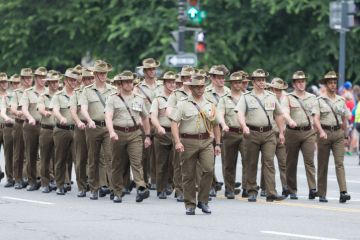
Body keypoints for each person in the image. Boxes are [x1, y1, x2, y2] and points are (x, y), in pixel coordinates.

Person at [236, 69, 296, 202]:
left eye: (263, 79)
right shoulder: (246, 97)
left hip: (269, 133)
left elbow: (279, 115)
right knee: (251, 162)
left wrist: (281, 132)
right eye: (259, 80)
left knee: (269, 162)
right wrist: (244, 126)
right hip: (252, 133)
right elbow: (239, 113)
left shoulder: (271, 96)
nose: (262, 82)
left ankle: (271, 192)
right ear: (253, 81)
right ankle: (251, 191)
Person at [170, 74, 221, 215]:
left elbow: (216, 125)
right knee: (188, 174)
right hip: (188, 141)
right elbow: (174, 123)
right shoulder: (182, 103)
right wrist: (178, 142)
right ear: (191, 88)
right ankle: (190, 204)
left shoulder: (210, 104)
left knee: (208, 169)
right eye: (197, 87)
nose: (200, 89)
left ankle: (203, 201)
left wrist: (218, 143)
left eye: (202, 86)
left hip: (206, 141)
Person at [104, 70, 151, 203]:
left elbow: (145, 118)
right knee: (117, 164)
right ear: (120, 83)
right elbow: (108, 116)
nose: (130, 84)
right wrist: (111, 131)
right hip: (117, 133)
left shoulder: (138, 99)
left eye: (131, 82)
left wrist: (147, 136)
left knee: (137, 162)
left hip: (135, 133)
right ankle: (117, 191)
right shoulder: (112, 98)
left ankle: (141, 188)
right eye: (127, 82)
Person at [313, 71, 351, 203]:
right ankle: (322, 193)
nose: (333, 85)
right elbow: (315, 119)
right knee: (323, 164)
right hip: (324, 134)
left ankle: (343, 192)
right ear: (326, 84)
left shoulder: (341, 100)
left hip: (338, 134)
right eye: (330, 83)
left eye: (335, 82)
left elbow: (344, 119)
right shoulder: (319, 100)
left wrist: (346, 135)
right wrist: (321, 131)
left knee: (339, 163)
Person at [80, 60, 115, 200]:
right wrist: (89, 120)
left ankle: (113, 188)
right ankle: (94, 188)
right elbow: (83, 108)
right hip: (93, 127)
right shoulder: (87, 90)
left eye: (105, 73)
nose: (103, 75)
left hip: (108, 127)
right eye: (100, 73)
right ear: (95, 74)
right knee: (93, 158)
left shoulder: (112, 90)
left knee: (110, 158)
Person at [282, 71, 318, 200]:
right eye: (298, 82)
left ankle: (312, 189)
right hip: (293, 132)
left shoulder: (312, 97)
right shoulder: (288, 97)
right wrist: (289, 120)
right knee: (291, 162)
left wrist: (317, 128)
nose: (301, 84)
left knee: (309, 161)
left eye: (303, 81)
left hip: (308, 132)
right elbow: (285, 112)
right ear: (294, 84)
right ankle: (292, 189)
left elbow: (315, 115)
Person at [217, 71, 249, 199]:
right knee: (229, 162)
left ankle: (247, 187)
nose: (237, 84)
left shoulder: (247, 97)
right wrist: (223, 124)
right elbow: (220, 113)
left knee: (248, 161)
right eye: (235, 82)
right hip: (230, 132)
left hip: (245, 133)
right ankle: (229, 189)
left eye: (239, 82)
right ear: (230, 84)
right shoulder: (224, 98)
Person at [166, 66, 195, 202]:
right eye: (186, 78)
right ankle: (179, 189)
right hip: (180, 131)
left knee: (197, 163)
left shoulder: (200, 93)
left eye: (191, 77)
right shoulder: (176, 94)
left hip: (196, 132)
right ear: (182, 79)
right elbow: (169, 110)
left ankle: (195, 189)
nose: (189, 80)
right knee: (179, 162)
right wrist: (175, 121)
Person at [50, 68, 79, 195]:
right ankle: (60, 185)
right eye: (71, 80)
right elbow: (55, 110)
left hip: (76, 130)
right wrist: (61, 117)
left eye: (75, 80)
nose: (74, 82)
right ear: (65, 80)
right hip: (61, 130)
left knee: (78, 159)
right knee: (60, 159)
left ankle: (82, 187)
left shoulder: (80, 94)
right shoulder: (58, 95)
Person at [135, 58, 162, 189]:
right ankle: (144, 180)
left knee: (158, 153)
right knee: (144, 155)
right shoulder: (138, 88)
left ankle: (156, 179)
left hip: (158, 123)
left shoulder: (161, 86)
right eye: (149, 69)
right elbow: (136, 107)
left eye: (153, 69)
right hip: (144, 122)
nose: (152, 71)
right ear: (144, 71)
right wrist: (140, 122)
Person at [260, 78, 289, 197]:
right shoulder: (266, 99)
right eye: (276, 89)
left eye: (280, 90)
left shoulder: (285, 100)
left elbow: (285, 114)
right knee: (268, 162)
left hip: (281, 134)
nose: (278, 92)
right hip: (269, 135)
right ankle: (264, 187)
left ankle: (285, 187)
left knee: (283, 162)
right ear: (271, 89)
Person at [205, 65, 231, 197]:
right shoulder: (205, 92)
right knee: (209, 160)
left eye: (223, 78)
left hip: (227, 129)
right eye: (219, 78)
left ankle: (229, 187)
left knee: (228, 160)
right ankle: (210, 186)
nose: (222, 80)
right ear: (212, 79)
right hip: (210, 128)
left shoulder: (229, 92)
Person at [150, 71, 176, 199]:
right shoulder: (158, 99)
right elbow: (153, 116)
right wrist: (158, 127)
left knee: (174, 162)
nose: (172, 84)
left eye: (173, 82)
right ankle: (160, 188)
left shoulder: (179, 98)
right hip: (162, 133)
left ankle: (171, 184)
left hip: (176, 132)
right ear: (164, 83)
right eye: (169, 82)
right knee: (161, 162)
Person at [21, 67, 47, 191]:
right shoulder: (28, 92)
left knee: (47, 155)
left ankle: (45, 180)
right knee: (31, 154)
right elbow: (24, 109)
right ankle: (32, 181)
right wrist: (30, 117)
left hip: (45, 126)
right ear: (35, 78)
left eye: (44, 77)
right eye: (40, 77)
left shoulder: (49, 92)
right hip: (31, 126)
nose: (42, 80)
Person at [70, 67, 94, 197]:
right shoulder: (77, 93)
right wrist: (79, 121)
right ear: (82, 80)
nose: (89, 81)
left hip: (96, 127)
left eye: (91, 78)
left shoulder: (98, 92)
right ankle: (82, 185)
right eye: (87, 78)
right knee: (81, 157)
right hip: (81, 127)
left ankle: (94, 183)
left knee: (95, 157)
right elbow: (73, 111)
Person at [37, 71, 60, 193]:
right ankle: (44, 183)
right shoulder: (43, 96)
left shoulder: (61, 96)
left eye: (57, 81)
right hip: (46, 129)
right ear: (49, 83)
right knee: (45, 157)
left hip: (58, 129)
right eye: (53, 82)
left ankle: (56, 181)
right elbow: (40, 108)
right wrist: (45, 112)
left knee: (58, 157)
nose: (55, 84)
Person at [11, 68, 33, 189]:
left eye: (30, 78)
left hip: (33, 125)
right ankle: (17, 178)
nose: (28, 80)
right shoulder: (17, 93)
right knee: (18, 152)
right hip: (20, 123)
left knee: (31, 153)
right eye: (26, 78)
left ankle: (30, 177)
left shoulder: (35, 92)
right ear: (22, 79)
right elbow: (13, 108)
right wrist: (19, 113)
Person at [0, 72, 14, 187]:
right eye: (2, 82)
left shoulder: (11, 95)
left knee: (9, 153)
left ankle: (10, 177)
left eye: (6, 81)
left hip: (7, 127)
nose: (4, 84)